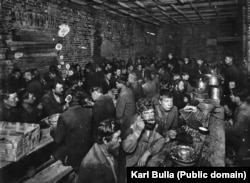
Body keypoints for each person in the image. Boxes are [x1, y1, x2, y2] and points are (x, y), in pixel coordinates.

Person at [50, 88, 93, 172]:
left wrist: (53, 130)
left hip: (72, 155)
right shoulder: (89, 112)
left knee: (52, 154)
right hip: (86, 150)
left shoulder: (64, 116)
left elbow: (58, 139)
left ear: (68, 100)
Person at [123, 98, 164, 167]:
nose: (150, 116)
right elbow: (126, 148)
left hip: (147, 159)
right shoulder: (131, 123)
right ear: (140, 114)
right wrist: (137, 131)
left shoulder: (156, 121)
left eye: (152, 112)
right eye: (146, 113)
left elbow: (161, 140)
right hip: (130, 162)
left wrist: (148, 153)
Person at [78, 119, 121, 183]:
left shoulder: (109, 149)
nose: (120, 140)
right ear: (105, 140)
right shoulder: (92, 166)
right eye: (117, 138)